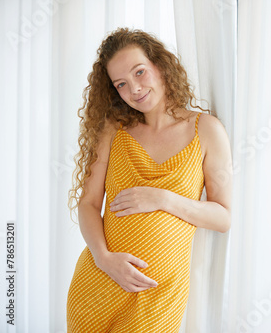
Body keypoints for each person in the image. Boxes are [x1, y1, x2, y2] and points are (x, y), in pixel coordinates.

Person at [66, 27, 232, 332]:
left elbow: (223, 217)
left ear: (161, 66)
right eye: (121, 84)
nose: (135, 89)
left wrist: (163, 198)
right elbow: (88, 203)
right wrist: (103, 259)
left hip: (159, 295)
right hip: (97, 282)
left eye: (140, 72)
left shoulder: (206, 130)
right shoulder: (113, 130)